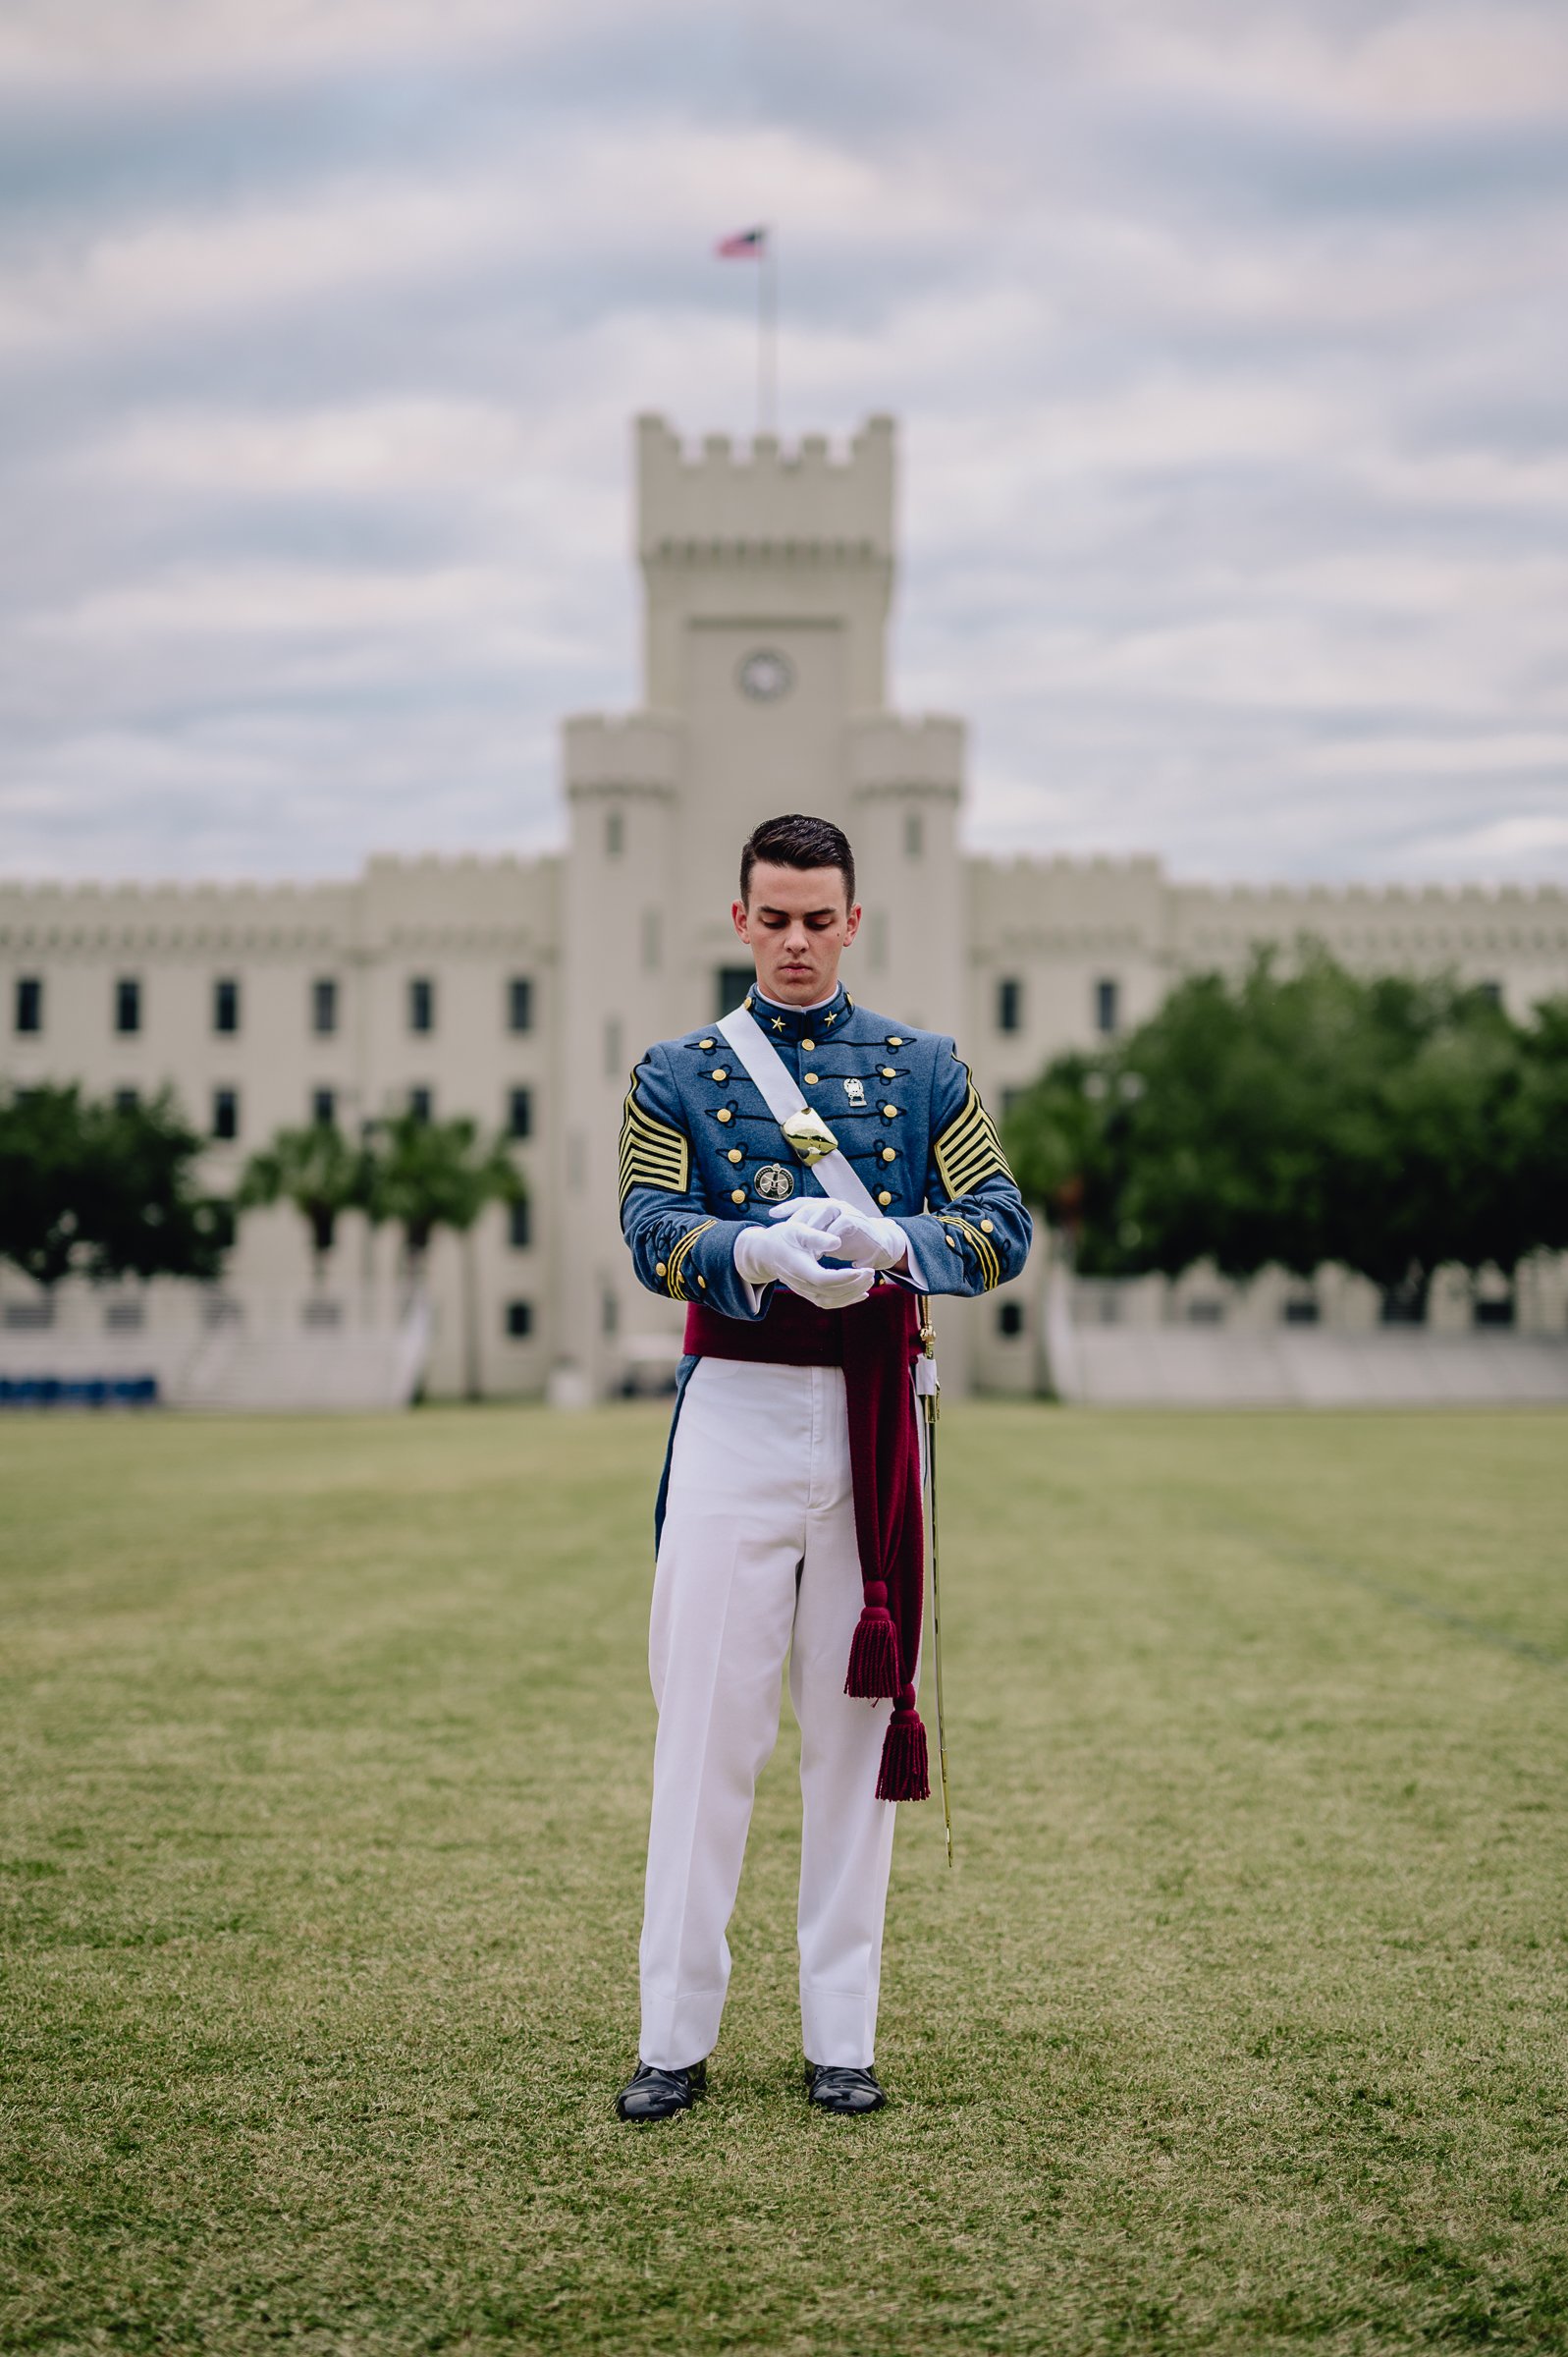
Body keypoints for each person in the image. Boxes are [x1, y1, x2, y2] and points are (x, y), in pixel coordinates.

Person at [615, 812, 1031, 2121]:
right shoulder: (674, 1072)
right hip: (736, 1403)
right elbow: (646, 1222)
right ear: (737, 920)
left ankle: (839, 2035)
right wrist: (752, 1254)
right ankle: (671, 2035)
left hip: (869, 1416)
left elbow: (999, 1225)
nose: (794, 942)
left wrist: (892, 1238)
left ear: (854, 922)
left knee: (853, 1742)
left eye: (817, 919)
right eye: (771, 918)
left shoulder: (925, 1072)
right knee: (705, 1737)